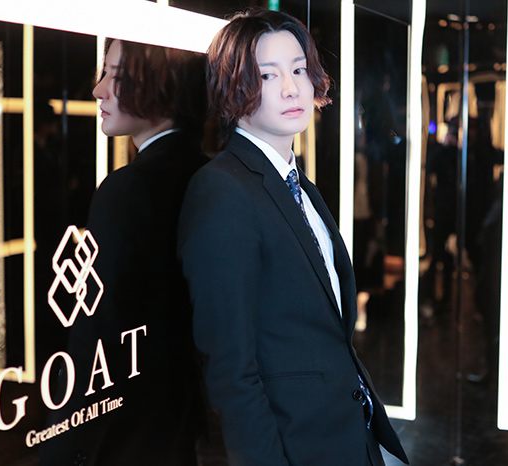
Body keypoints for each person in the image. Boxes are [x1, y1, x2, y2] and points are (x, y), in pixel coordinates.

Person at [177, 9, 408, 466]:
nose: (291, 87)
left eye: (299, 69)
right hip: (295, 447)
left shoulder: (296, 184)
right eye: (268, 75)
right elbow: (230, 368)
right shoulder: (222, 190)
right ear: (233, 85)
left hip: (344, 433)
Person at [40, 39, 208, 466]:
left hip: (129, 427)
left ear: (163, 82)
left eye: (115, 76)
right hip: (178, 416)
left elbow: (98, 332)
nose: (98, 90)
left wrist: (60, 441)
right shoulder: (207, 173)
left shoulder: (129, 189)